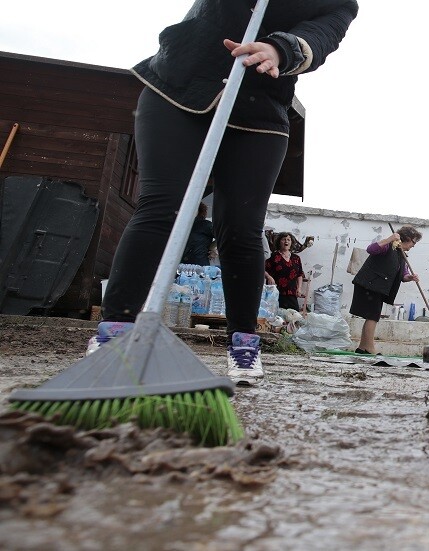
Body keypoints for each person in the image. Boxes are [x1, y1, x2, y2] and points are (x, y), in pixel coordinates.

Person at [92, 0, 358, 385]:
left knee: (240, 230)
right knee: (161, 208)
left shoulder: (339, 3)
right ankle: (114, 334)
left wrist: (279, 48)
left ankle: (244, 344)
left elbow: (320, 37)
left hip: (260, 114)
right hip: (179, 90)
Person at [350, 226, 422, 355]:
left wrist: (409, 277)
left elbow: (403, 276)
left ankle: (362, 347)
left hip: (378, 288)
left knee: (372, 316)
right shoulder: (388, 246)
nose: (414, 245)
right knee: (372, 316)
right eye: (414, 242)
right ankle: (370, 348)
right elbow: (371, 249)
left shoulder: (401, 255)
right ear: (407, 238)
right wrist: (389, 239)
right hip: (369, 284)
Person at [264, 232, 306, 312]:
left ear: (291, 243)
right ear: (279, 242)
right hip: (275, 293)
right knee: (276, 317)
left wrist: (299, 288)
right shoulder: (274, 256)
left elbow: (299, 274)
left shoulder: (296, 258)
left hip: (291, 293)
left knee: (294, 317)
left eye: (288, 240)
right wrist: (269, 277)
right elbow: (263, 269)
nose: (286, 241)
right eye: (283, 239)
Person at [181, 202, 216, 267]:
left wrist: (213, 248)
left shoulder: (205, 224)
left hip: (198, 267)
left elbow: (224, 237)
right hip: (178, 267)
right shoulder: (178, 225)